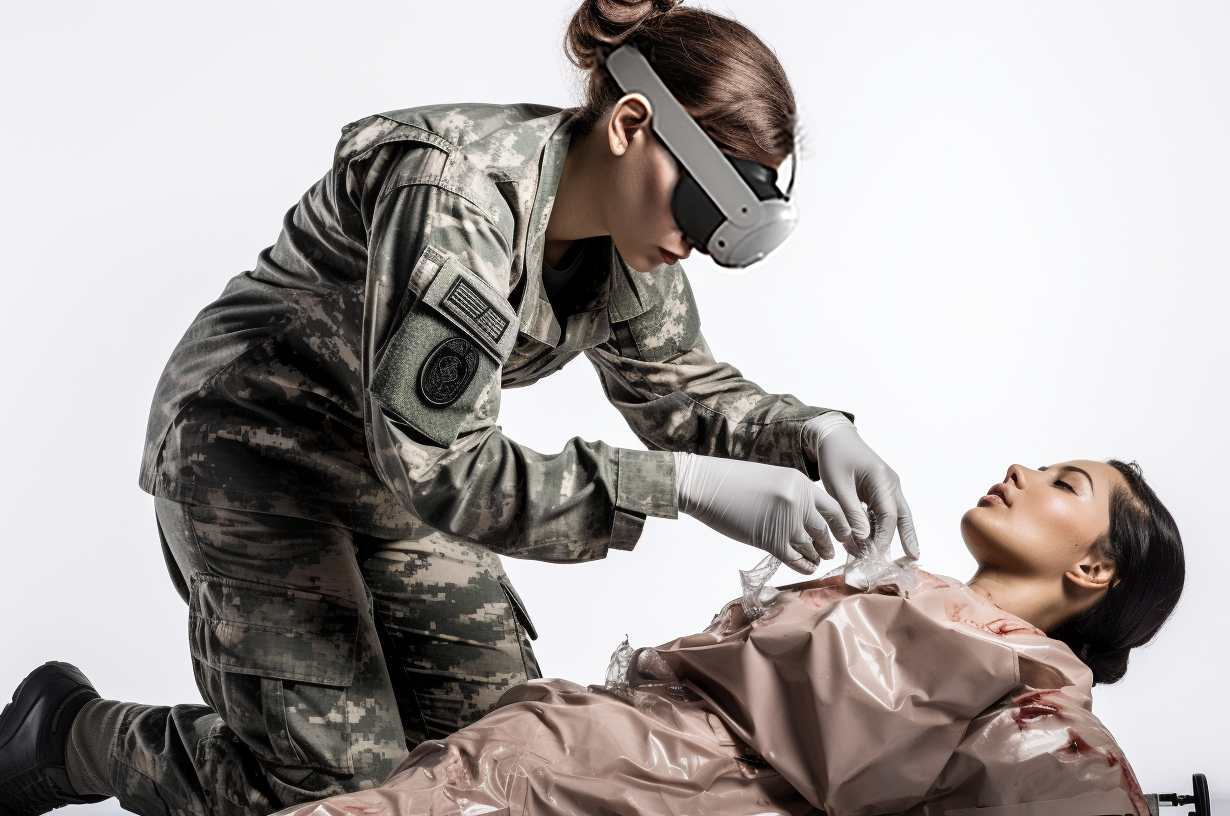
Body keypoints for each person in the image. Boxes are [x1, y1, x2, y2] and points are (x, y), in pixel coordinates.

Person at [0, 3, 919, 816]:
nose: (703, 242)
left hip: (393, 467)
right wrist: (681, 486)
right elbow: (449, 472)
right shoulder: (458, 196)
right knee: (333, 794)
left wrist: (817, 434)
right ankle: (68, 734)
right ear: (632, 124)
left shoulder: (637, 246)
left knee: (503, 760)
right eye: (705, 201)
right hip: (252, 450)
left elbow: (681, 390)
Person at [260, 458, 1184, 816]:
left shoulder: (1031, 697)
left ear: (1094, 570)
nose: (1023, 468)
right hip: (527, 760)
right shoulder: (895, 583)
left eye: (1067, 484)